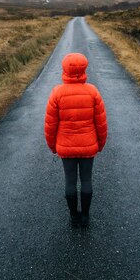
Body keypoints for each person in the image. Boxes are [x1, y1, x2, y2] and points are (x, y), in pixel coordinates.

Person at [44, 52, 107, 228]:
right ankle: (85, 217)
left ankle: (73, 217)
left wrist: (53, 146)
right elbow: (101, 123)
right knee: (86, 180)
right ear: (84, 69)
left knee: (70, 181)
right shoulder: (92, 91)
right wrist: (100, 144)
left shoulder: (57, 93)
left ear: (64, 69)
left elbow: (50, 125)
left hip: (66, 147)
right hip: (88, 146)